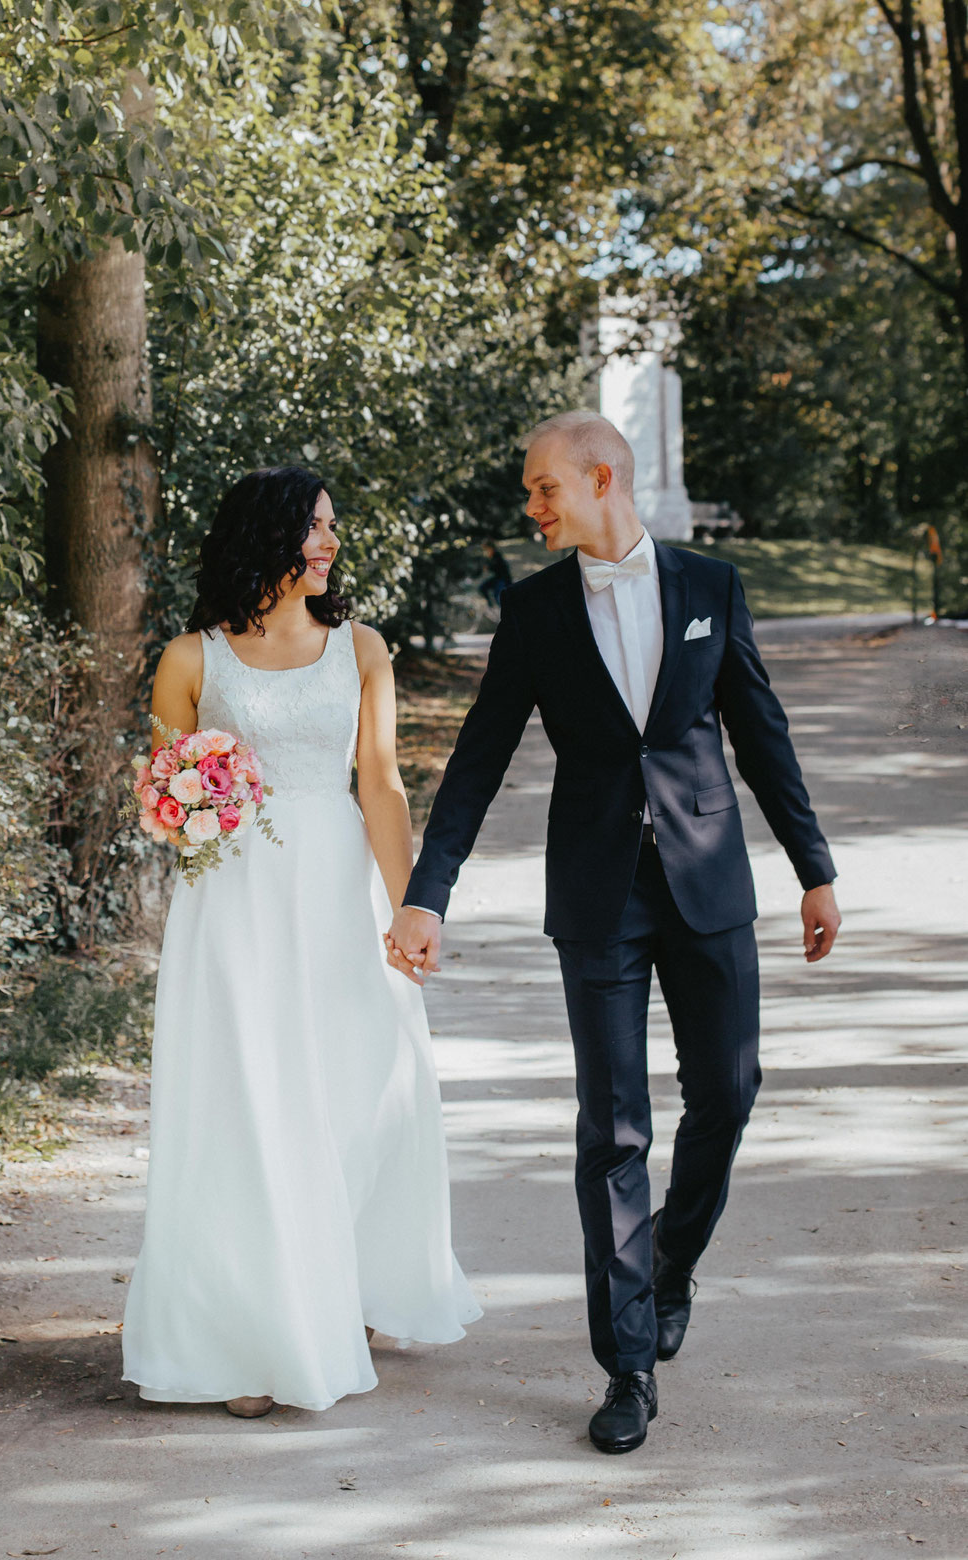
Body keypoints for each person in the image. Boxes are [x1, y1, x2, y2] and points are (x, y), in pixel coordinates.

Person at [385, 411, 841, 1456]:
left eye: (544, 489)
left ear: (601, 479)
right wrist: (427, 890)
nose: (532, 507)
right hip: (597, 896)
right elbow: (479, 755)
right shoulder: (535, 609)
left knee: (729, 1092)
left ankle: (672, 1264)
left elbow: (761, 733)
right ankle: (626, 1360)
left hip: (709, 881)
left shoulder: (711, 587)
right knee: (614, 1128)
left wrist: (814, 868)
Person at [122, 467, 478, 1419]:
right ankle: (253, 1332)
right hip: (232, 903)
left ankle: (346, 1287)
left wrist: (411, 912)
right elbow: (161, 794)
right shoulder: (190, 661)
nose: (329, 544)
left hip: (335, 894)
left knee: (363, 1085)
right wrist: (189, 806)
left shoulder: (360, 648)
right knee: (248, 1101)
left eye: (332, 528)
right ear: (268, 539)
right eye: (315, 528)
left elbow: (383, 786)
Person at [478, 539, 515, 611]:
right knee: (482, 588)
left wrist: (488, 567)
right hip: (497, 578)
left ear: (491, 548)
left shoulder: (497, 556)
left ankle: (506, 612)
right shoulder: (490, 557)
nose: (485, 552)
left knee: (498, 596)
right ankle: (490, 606)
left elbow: (497, 567)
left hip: (503, 579)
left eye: (486, 550)